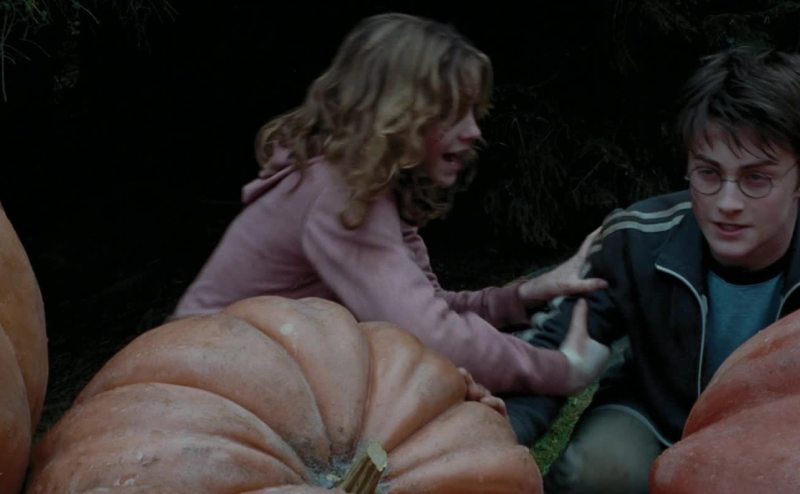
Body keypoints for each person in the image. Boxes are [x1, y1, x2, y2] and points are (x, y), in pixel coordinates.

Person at [170, 12, 610, 439]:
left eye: (474, 112)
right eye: (453, 113)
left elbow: (430, 309)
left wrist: (523, 296)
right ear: (399, 112)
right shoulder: (339, 194)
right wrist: (559, 368)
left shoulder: (362, 187)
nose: (475, 131)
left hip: (245, 398)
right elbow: (430, 338)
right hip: (195, 403)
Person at [523, 45, 800, 493]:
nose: (727, 203)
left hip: (774, 437)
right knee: (596, 469)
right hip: (652, 417)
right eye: (708, 173)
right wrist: (489, 441)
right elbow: (544, 359)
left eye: (756, 178)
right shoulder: (636, 238)